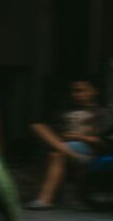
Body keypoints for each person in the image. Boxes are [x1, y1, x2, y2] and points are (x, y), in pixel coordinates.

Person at [28, 79, 106, 209]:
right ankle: (73, 156)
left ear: (93, 91)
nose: (76, 94)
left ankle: (44, 200)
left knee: (56, 154)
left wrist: (76, 136)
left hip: (85, 147)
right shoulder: (65, 111)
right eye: (74, 91)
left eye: (81, 91)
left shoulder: (101, 112)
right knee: (37, 126)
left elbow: (102, 140)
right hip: (65, 145)